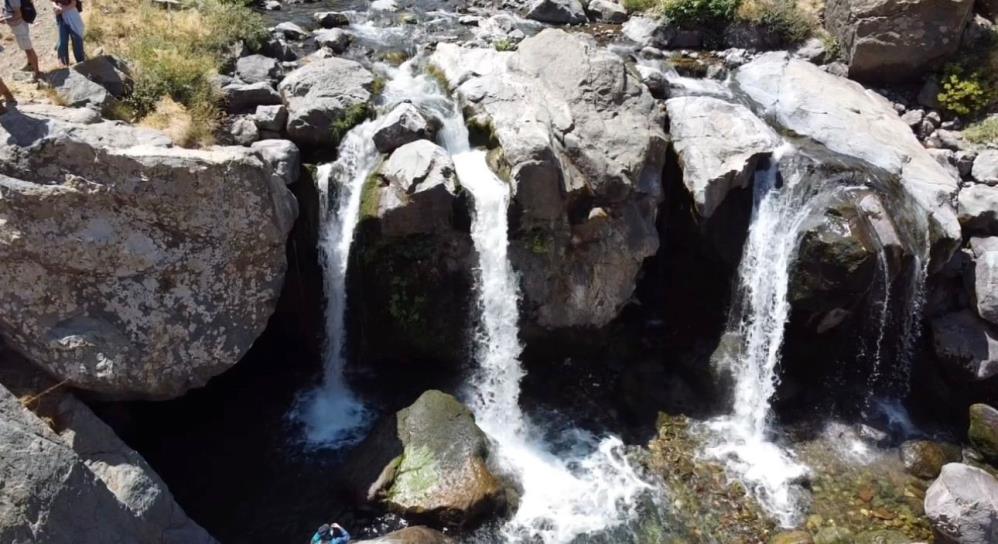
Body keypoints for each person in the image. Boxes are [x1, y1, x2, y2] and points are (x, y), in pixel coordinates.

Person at [2, 0, 40, 81]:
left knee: (29, 49)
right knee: (26, 48)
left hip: (19, 25)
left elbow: (18, 13)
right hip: (18, 26)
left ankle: (37, 72)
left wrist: (5, 20)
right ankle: (30, 64)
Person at [52, 0, 84, 66]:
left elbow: (73, 3)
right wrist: (55, 6)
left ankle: (81, 62)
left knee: (77, 40)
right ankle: (65, 65)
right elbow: (54, 1)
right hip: (61, 18)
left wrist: (62, 9)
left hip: (72, 16)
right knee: (62, 42)